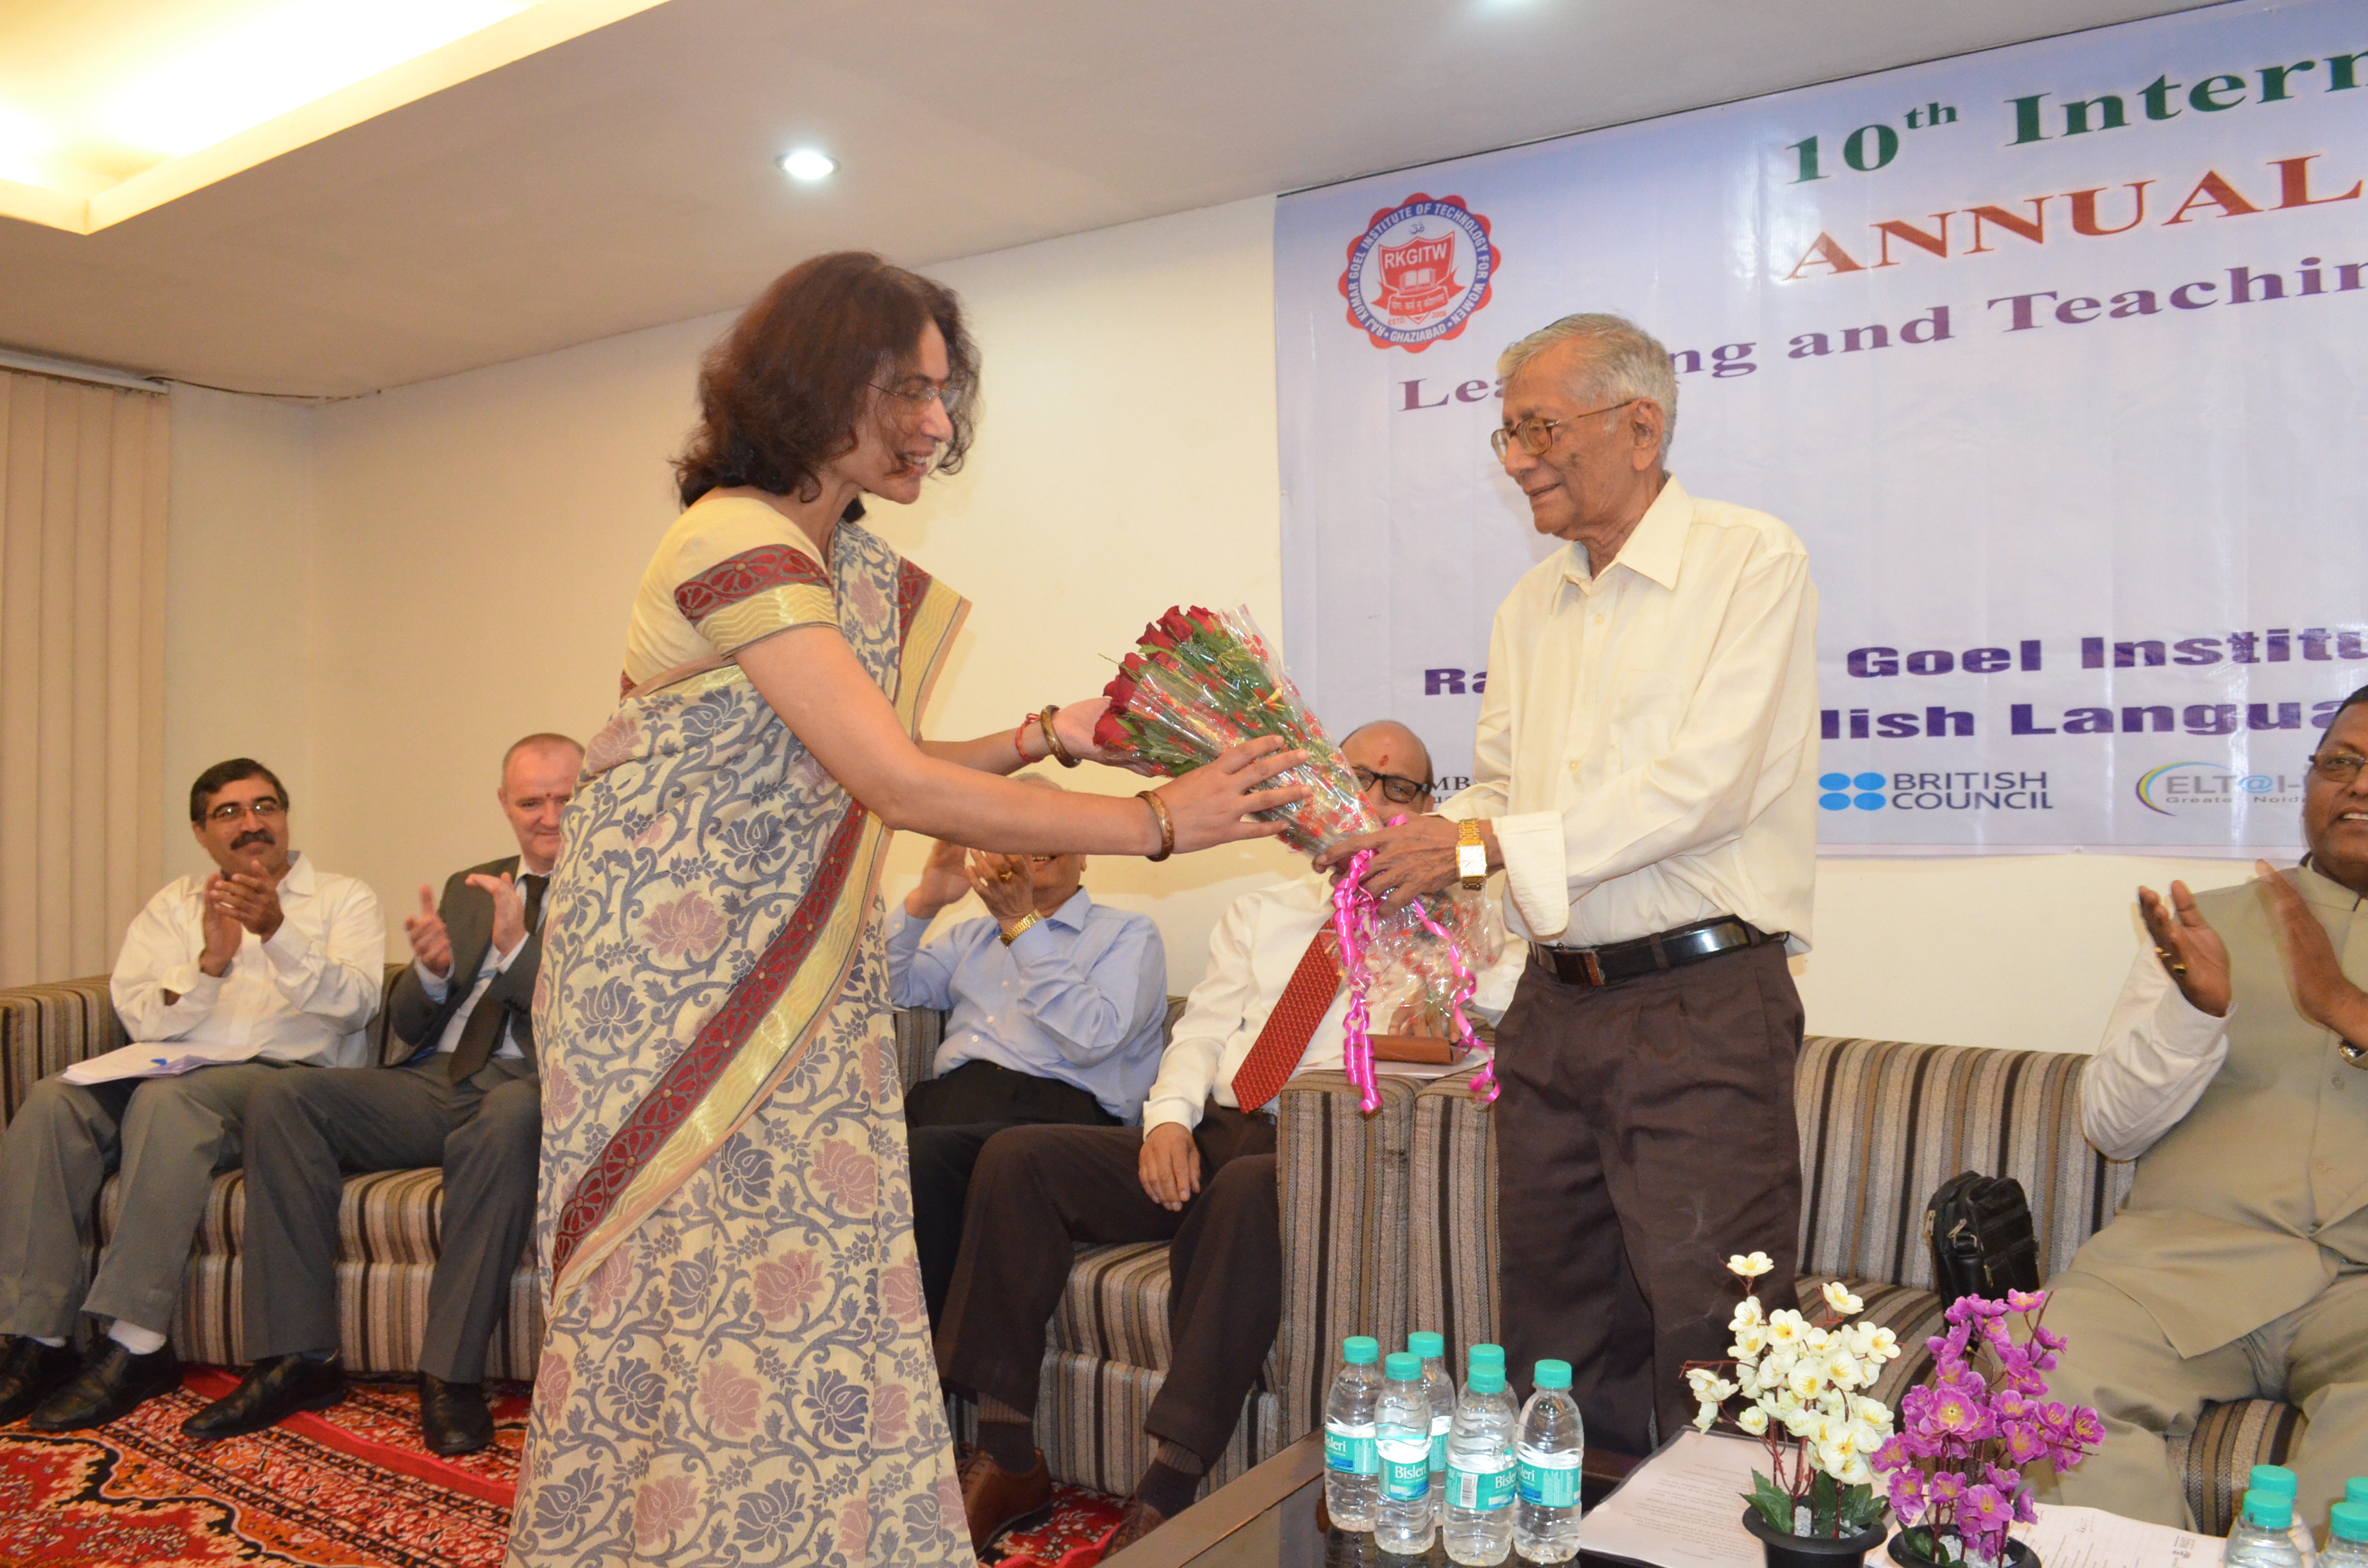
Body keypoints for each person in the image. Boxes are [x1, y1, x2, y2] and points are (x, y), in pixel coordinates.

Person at [504, 252, 1309, 1568]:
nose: (938, 424)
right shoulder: (733, 536)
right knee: (680, 1293)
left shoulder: (844, 562)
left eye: (945, 394)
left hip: (791, 966)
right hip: (674, 979)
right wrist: (1158, 822)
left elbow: (875, 762)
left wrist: (1054, 734)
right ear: (817, 386)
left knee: (802, 1285)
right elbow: (888, 780)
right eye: (909, 393)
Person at [1318, 312, 1820, 1457]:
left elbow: (1705, 787)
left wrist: (1482, 843)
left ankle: (1717, 1539)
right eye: (1505, 434)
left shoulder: (1750, 561)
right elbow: (1503, 793)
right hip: (1551, 1006)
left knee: (1720, 1346)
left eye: (1538, 428)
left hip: (1700, 1005)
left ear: (1639, 426)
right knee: (1554, 1334)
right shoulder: (1529, 605)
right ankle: (1570, 1531)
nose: (1516, 459)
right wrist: (1420, 851)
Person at [939, 721, 1462, 1555]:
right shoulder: (1262, 912)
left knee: (1248, 1192)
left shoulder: (1451, 929)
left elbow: (1477, 1042)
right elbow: (1203, 1034)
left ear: (1425, 809)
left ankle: (1168, 1492)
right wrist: (1167, 1123)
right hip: (1222, 1130)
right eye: (1355, 775)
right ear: (1321, 789)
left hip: (1320, 1153)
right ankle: (1005, 1452)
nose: (1371, 797)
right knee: (1018, 1159)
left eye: (1398, 787)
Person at [181, 733, 582, 1454]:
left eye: (566, 798)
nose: (549, 817)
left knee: (510, 1114)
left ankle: (450, 1375)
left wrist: (520, 954)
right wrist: (431, 975)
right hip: (437, 1081)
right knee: (285, 1099)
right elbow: (408, 1023)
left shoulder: (622, 889)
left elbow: (594, 1024)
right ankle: (297, 1358)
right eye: (532, 802)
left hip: (530, 1086)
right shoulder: (471, 885)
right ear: (505, 804)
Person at [2043, 682, 2368, 1531]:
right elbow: (2110, 1128)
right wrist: (2197, 1013)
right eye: (2342, 762)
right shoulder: (2202, 930)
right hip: (2182, 1266)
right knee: (2045, 1367)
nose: (2360, 785)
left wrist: (2345, 1006)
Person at [0, 759, 384, 1432]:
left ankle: (137, 1343)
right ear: (202, 833)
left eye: (265, 806)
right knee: (51, 1103)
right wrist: (211, 965)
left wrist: (277, 934)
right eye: (229, 813)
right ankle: (39, 1338)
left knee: (169, 1105)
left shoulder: (343, 900)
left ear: (285, 817)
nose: (251, 823)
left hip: (282, 1083)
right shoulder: (172, 906)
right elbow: (140, 1015)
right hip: (167, 1066)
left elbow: (356, 1008)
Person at [891, 776, 1169, 1324]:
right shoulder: (971, 936)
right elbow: (882, 988)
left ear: (1085, 852)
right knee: (846, 1151)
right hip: (948, 1104)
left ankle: (920, 1358)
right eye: (1018, 826)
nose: (1037, 840)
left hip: (1055, 1120)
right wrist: (926, 901)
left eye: (1053, 823)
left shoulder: (1128, 935)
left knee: (921, 1160)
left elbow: (1093, 1039)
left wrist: (1021, 926)